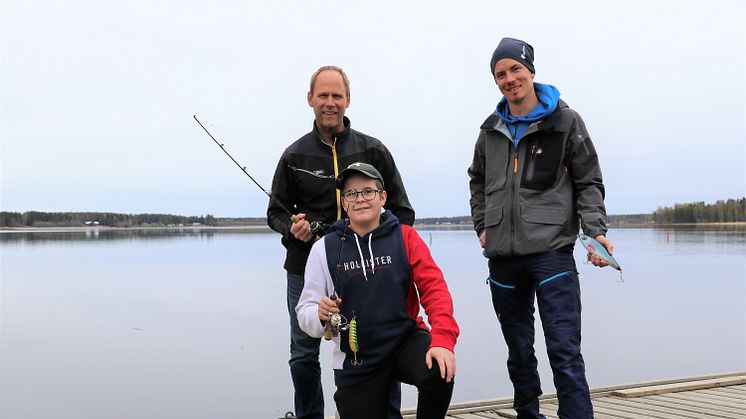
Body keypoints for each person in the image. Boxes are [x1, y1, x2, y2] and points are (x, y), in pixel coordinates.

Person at [467, 37, 614, 419]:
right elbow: (477, 182)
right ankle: (528, 414)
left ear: (531, 70)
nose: (509, 79)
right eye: (500, 73)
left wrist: (595, 231)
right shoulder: (490, 130)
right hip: (502, 259)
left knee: (564, 351)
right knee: (518, 352)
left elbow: (589, 181)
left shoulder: (565, 121)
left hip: (552, 254)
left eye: (515, 69)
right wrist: (483, 226)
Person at [268, 66, 415, 419]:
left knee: (378, 344)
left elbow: (403, 212)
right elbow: (275, 213)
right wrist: (292, 229)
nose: (330, 103)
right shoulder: (293, 155)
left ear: (347, 100)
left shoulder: (373, 149)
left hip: (368, 269)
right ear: (310, 100)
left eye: (337, 96)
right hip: (307, 269)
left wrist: (388, 251)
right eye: (323, 96)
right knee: (303, 353)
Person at [296, 162, 459, 419]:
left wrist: (443, 341)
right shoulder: (323, 249)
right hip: (357, 358)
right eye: (351, 193)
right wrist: (319, 313)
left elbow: (435, 290)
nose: (360, 199)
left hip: (405, 341)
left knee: (439, 368)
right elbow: (304, 312)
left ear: (382, 197)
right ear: (344, 202)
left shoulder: (406, 237)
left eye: (368, 191)